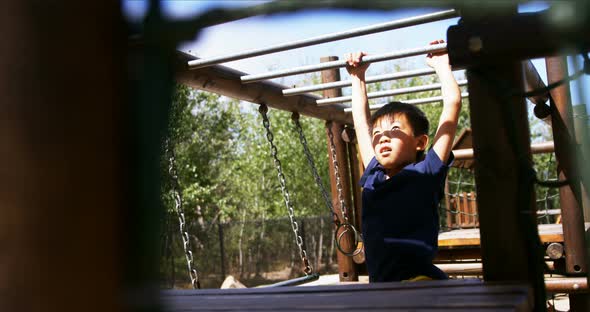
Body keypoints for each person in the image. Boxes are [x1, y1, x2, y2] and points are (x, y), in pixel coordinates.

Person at [345, 40, 461, 282]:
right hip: (381, 282)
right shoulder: (374, 172)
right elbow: (360, 121)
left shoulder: (425, 172)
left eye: (394, 129)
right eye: (377, 134)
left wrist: (442, 66)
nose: (382, 138)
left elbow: (452, 106)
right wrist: (357, 78)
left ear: (419, 142)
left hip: (419, 279)